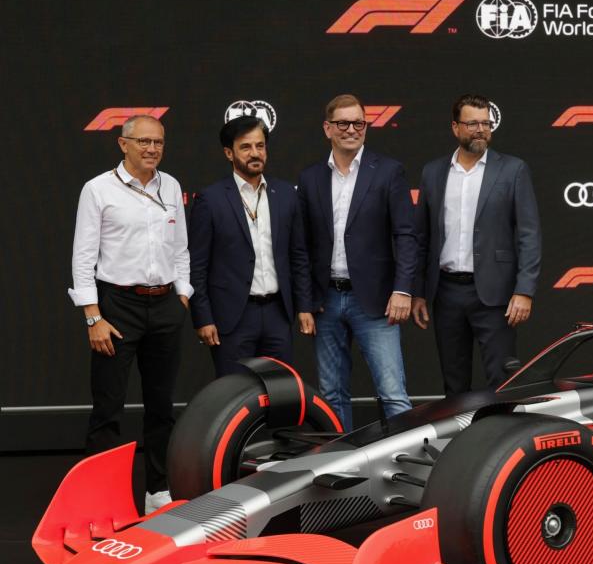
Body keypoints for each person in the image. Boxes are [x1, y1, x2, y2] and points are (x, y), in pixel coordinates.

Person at [68, 115, 190, 514]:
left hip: (165, 306)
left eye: (158, 142)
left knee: (161, 407)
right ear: (123, 144)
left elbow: (181, 248)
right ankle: (99, 499)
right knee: (108, 410)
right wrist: (92, 316)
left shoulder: (170, 185)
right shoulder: (98, 189)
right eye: (144, 142)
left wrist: (182, 295)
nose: (152, 149)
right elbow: (84, 256)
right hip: (116, 307)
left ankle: (158, 491)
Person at [298, 94, 417, 431]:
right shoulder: (310, 179)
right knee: (331, 394)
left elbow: (406, 235)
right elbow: (302, 247)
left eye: (359, 123)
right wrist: (306, 301)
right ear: (327, 128)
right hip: (326, 301)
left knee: (393, 394)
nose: (351, 129)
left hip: (377, 301)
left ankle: (410, 470)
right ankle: (342, 471)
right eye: (343, 123)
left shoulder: (389, 171)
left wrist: (403, 290)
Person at [413, 94, 542, 396]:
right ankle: (461, 443)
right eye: (472, 123)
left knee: (502, 379)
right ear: (455, 127)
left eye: (486, 123)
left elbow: (529, 234)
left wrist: (524, 291)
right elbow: (422, 236)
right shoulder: (433, 172)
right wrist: (418, 292)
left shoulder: (513, 170)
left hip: (495, 295)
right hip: (445, 292)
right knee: (454, 382)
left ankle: (502, 442)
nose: (481, 130)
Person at [189, 116, 314, 376]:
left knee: (281, 392)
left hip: (278, 314)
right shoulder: (210, 200)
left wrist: (304, 306)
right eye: (246, 147)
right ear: (228, 153)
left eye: (260, 146)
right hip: (232, 316)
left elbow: (298, 255)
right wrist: (203, 317)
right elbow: (197, 265)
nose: (255, 153)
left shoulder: (287, 194)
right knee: (234, 395)